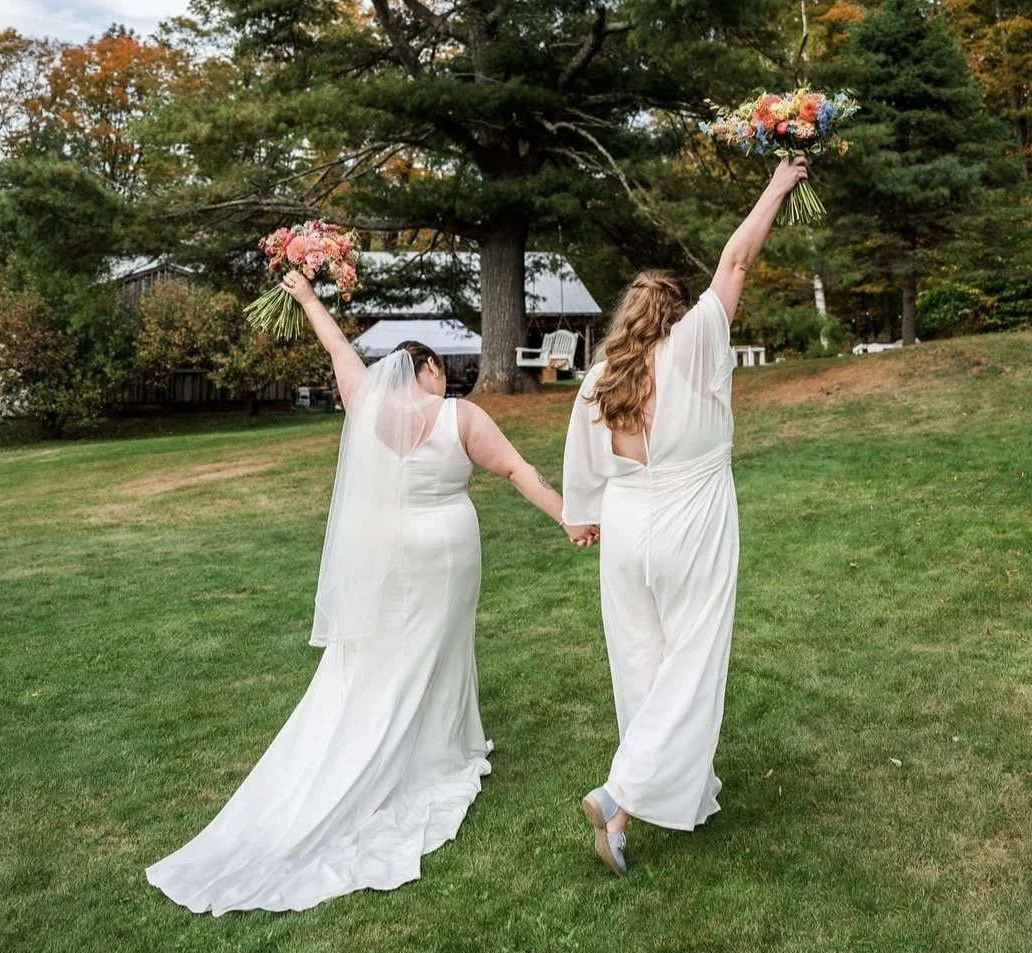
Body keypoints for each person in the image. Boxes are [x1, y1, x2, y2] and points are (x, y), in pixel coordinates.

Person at [147, 270, 597, 914]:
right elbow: (517, 470)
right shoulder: (459, 415)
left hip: (392, 558)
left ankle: (435, 743)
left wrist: (306, 297)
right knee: (439, 648)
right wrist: (567, 517)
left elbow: (336, 347)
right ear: (434, 371)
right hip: (446, 552)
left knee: (391, 653)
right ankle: (438, 753)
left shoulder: (367, 407)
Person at [561, 155, 810, 875]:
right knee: (691, 664)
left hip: (626, 527)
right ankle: (621, 796)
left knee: (641, 664)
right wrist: (779, 181)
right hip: (690, 521)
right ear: (676, 312)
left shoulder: (603, 374)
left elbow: (583, 462)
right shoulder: (695, 342)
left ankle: (683, 795)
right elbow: (737, 257)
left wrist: (583, 514)